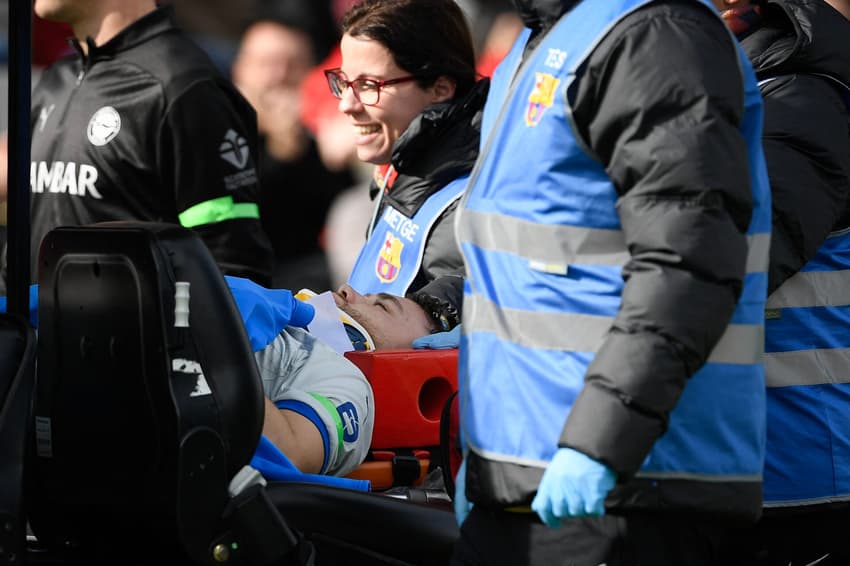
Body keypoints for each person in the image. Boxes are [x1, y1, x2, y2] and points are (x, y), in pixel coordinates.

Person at [449, 0, 772, 564]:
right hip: (530, 482)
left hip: (624, 489)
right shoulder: (544, 42)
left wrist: (597, 447)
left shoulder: (652, 35)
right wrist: (484, 461)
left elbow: (686, 264)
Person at [714, 0, 850, 564]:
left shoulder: (801, 97)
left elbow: (720, 260)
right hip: (765, 462)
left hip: (795, 476)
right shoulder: (753, 80)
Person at [27, 0, 273, 286]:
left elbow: (234, 268)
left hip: (128, 331)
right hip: (36, 330)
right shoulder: (55, 80)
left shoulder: (185, 85)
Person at [327, 0, 489, 314]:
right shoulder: (406, 168)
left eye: (367, 85)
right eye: (344, 82)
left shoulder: (469, 203)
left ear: (440, 88)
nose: (346, 104)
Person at [231, 14, 355, 292]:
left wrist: (300, 150)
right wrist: (277, 156)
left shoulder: (331, 132)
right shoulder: (214, 129)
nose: (278, 77)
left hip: (311, 280)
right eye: (265, 64)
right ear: (239, 68)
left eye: (292, 65)